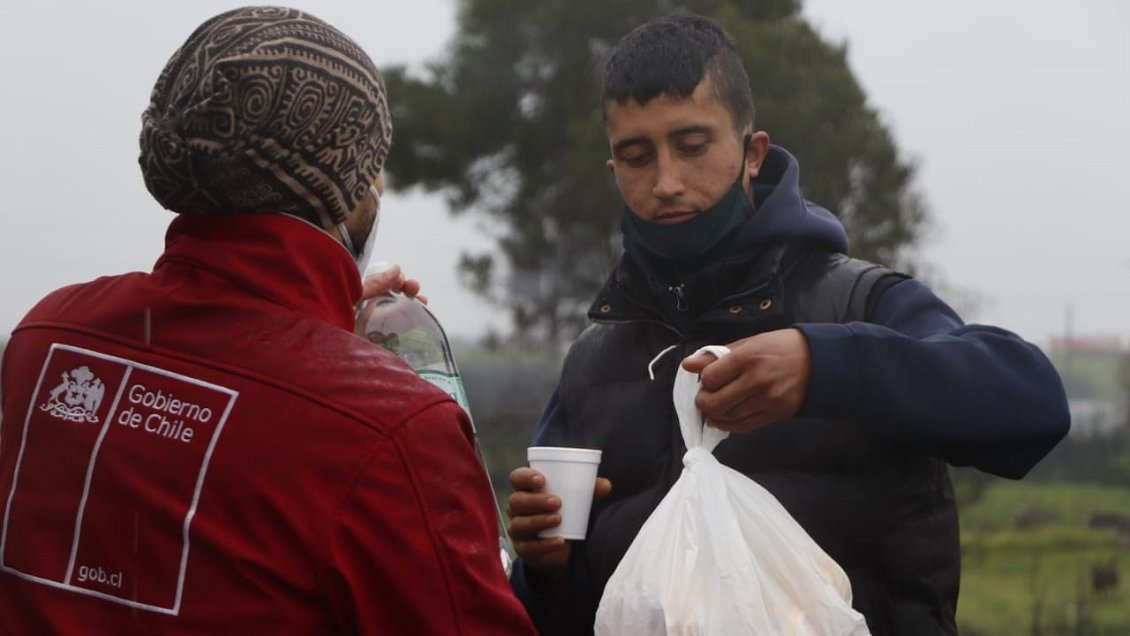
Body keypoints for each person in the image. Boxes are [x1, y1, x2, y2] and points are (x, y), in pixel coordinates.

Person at [505, 12, 1070, 636]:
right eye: (637, 157)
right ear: (614, 171)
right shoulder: (594, 361)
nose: (665, 182)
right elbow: (560, 614)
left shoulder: (856, 302)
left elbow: (1033, 407)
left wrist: (823, 367)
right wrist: (545, 573)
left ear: (753, 154)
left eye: (692, 146)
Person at [0, 7, 535, 635]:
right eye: (372, 165)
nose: (380, 188)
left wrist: (329, 335)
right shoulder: (394, 429)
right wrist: (349, 372)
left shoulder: (48, 339)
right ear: (342, 185)